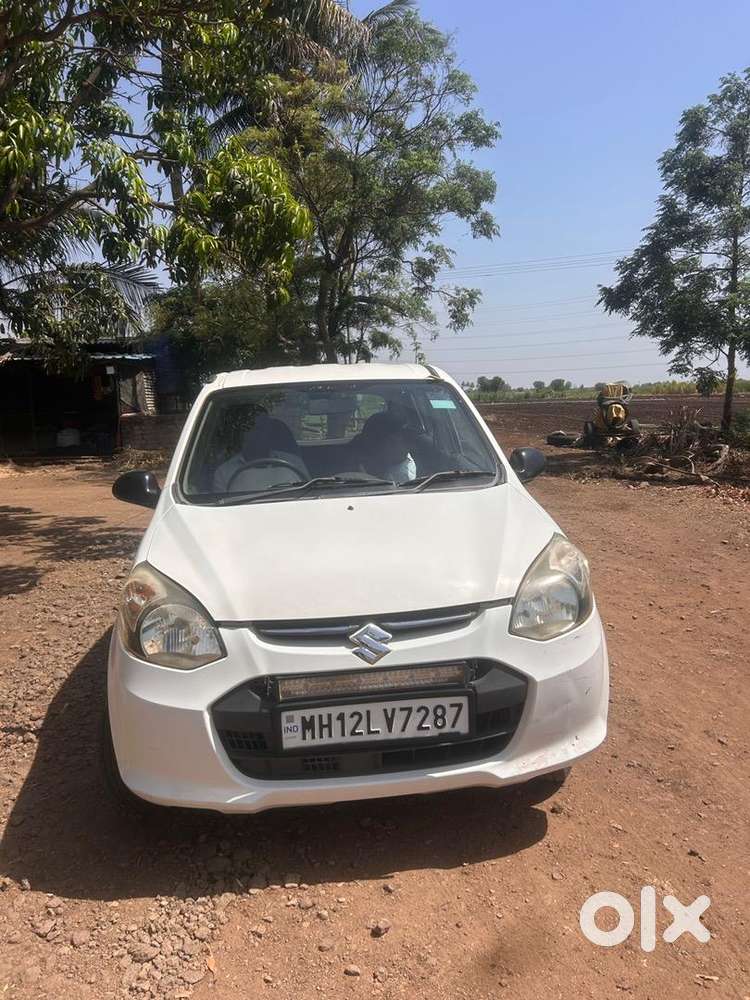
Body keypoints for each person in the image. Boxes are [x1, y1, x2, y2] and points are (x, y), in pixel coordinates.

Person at [213, 412, 308, 492]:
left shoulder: (294, 462)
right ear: (241, 434)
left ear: (270, 432)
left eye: (260, 428)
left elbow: (309, 493)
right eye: (249, 429)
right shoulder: (224, 472)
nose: (255, 434)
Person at [357, 411, 417, 484]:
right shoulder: (350, 472)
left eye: (405, 435)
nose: (404, 442)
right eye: (394, 439)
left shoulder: (412, 464)